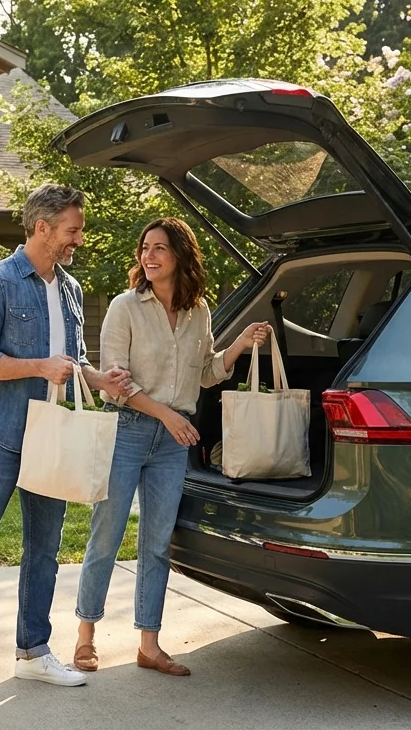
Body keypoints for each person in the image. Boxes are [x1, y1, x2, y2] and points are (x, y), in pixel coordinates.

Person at [0, 184, 132, 693]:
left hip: (53, 438)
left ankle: (33, 651)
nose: (78, 239)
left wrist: (98, 378)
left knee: (44, 550)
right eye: (72, 230)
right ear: (42, 228)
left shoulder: (71, 290)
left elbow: (72, 358)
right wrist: (38, 365)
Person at [72, 217, 269, 677]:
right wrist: (167, 415)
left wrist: (239, 343)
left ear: (180, 255)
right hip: (131, 431)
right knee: (107, 536)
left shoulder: (198, 311)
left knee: (158, 543)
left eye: (160, 248)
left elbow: (205, 372)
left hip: (171, 444)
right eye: (145, 248)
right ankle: (85, 637)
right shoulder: (125, 307)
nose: (149, 255)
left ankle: (150, 644)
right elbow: (114, 384)